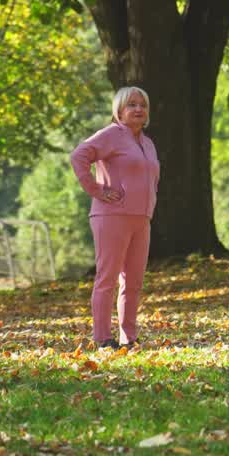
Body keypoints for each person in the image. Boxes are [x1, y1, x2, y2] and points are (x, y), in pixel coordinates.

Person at [70, 86, 160, 349]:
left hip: (141, 218)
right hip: (111, 216)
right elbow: (79, 155)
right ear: (119, 110)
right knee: (107, 278)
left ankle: (128, 337)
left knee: (133, 281)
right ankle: (101, 338)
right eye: (131, 104)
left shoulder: (147, 142)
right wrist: (96, 190)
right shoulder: (112, 134)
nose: (138, 109)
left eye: (142, 105)